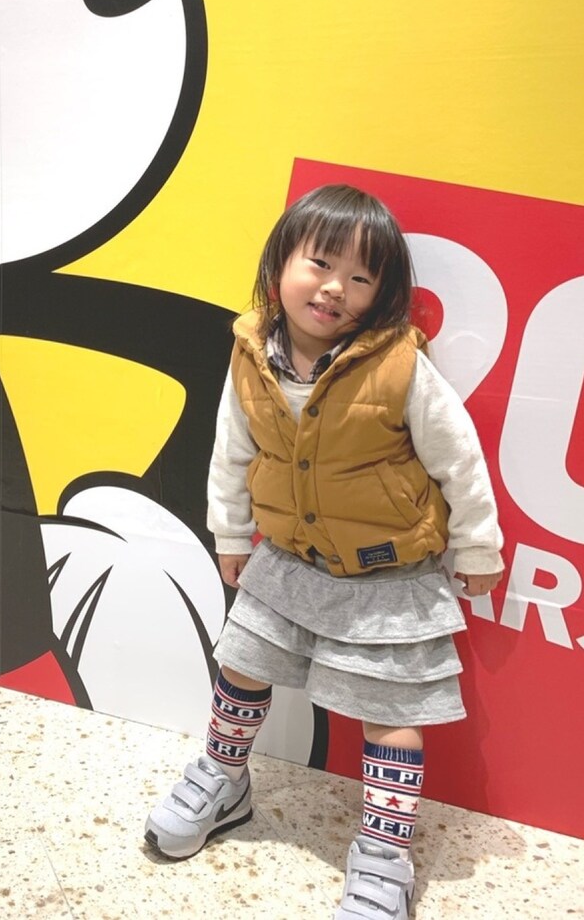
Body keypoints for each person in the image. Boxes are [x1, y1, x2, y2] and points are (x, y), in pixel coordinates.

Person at [144, 184, 504, 920]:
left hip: (389, 576)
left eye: (361, 277)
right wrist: (231, 536)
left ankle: (385, 850)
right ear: (280, 263)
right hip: (287, 560)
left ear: (382, 295)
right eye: (319, 263)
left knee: (390, 711)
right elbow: (231, 452)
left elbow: (459, 460)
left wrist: (478, 546)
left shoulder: (400, 365)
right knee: (241, 666)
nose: (336, 287)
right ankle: (224, 779)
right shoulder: (251, 354)